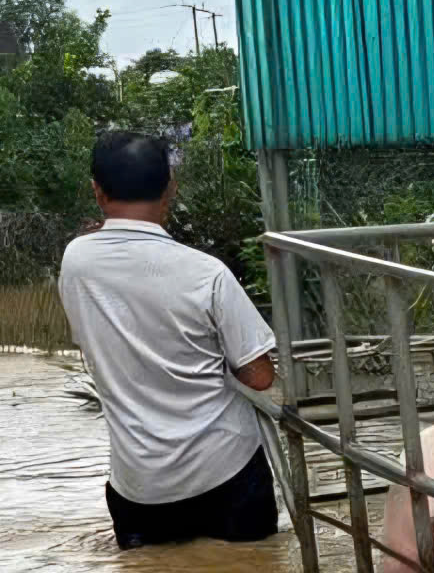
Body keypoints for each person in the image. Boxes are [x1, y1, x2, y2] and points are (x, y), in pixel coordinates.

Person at [57, 129, 280, 550]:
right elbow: (260, 376)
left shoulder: (76, 261)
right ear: (170, 188)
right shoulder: (207, 273)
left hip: (139, 485)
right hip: (226, 470)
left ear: (97, 191)